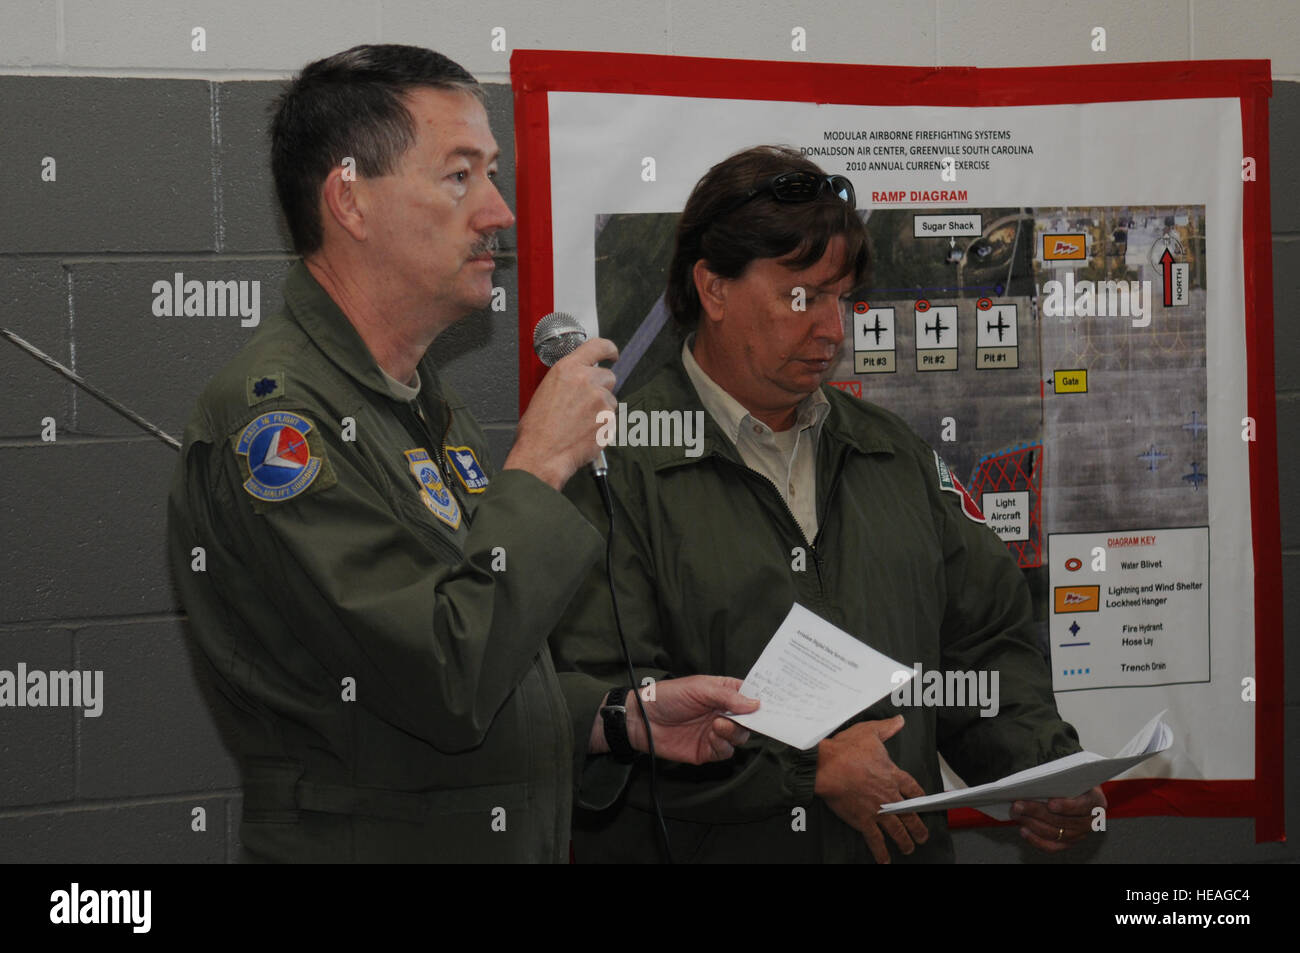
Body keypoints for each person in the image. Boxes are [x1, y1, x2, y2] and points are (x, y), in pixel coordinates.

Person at [166, 44, 755, 863]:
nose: (499, 211)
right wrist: (540, 468)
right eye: (460, 176)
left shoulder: (415, 399)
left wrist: (616, 717)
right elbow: (443, 676)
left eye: (493, 173)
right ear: (350, 201)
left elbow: (480, 644)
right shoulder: (278, 425)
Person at [549, 145, 1105, 863]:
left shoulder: (892, 456)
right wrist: (807, 771)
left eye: (841, 296)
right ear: (713, 290)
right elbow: (607, 713)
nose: (834, 330)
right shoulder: (610, 467)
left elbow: (983, 646)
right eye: (801, 296)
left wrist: (1043, 767)